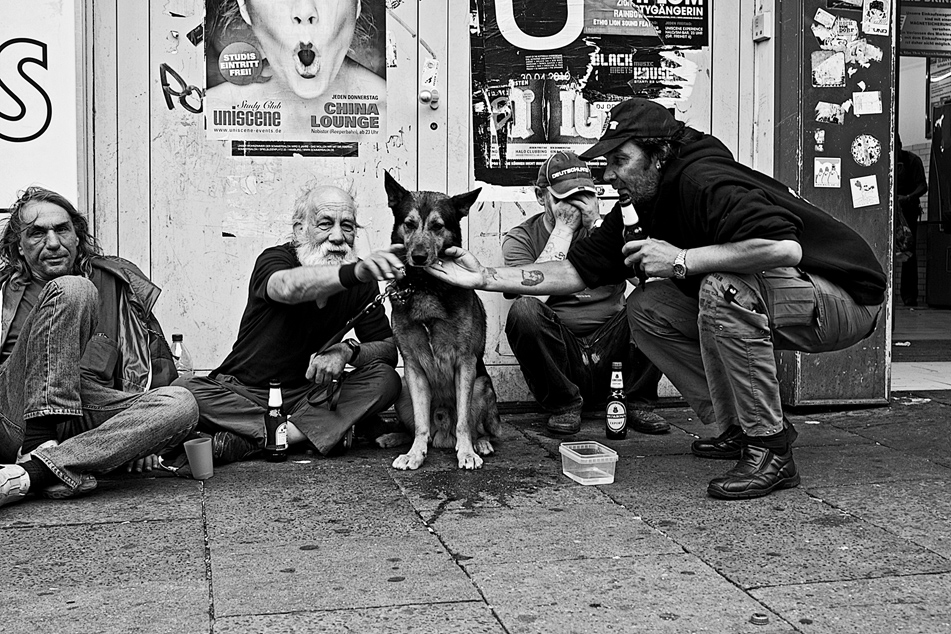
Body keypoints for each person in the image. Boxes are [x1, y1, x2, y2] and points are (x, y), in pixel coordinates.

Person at [425, 98, 886, 500]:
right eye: (606, 163)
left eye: (620, 161)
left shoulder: (704, 179)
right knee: (648, 307)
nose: (609, 176)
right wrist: (481, 276)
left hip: (844, 297)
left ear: (656, 155)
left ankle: (771, 449)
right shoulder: (641, 202)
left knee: (721, 287)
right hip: (792, 292)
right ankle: (739, 429)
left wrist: (682, 258)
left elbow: (782, 247)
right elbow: (572, 270)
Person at [0, 187, 199, 508]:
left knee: (182, 403)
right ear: (19, 247)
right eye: (37, 233)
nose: (52, 242)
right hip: (12, 415)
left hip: (86, 417)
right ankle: (39, 442)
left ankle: (35, 472)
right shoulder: (3, 292)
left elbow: (155, 361)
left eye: (61, 230)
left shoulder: (115, 283)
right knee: (72, 289)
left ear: (78, 237)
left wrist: (143, 439)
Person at [176, 185, 405, 462]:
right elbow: (286, 288)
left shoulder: (358, 279)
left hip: (309, 396)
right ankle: (308, 433)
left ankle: (262, 439)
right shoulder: (275, 259)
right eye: (325, 224)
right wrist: (352, 273)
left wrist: (347, 351)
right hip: (246, 392)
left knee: (387, 380)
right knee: (184, 389)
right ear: (299, 230)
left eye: (347, 226)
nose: (338, 236)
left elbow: (389, 351)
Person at [503, 151, 667, 435]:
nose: (575, 207)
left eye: (584, 197)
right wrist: (563, 231)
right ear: (541, 196)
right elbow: (531, 298)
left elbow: (640, 275)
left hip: (611, 347)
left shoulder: (613, 229)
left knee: (656, 298)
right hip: (562, 355)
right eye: (564, 199)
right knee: (524, 311)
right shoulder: (521, 238)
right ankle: (564, 405)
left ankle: (638, 402)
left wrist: (597, 225)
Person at [205, 0, 386, 135]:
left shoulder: (401, 118)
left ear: (357, 4)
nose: (305, 11)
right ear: (245, 7)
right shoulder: (207, 119)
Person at [895, 133, 928, 306]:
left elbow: (923, 186)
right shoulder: (889, 162)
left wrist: (907, 197)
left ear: (900, 145)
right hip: (893, 212)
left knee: (908, 252)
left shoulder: (912, 161)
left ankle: (909, 296)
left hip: (908, 212)